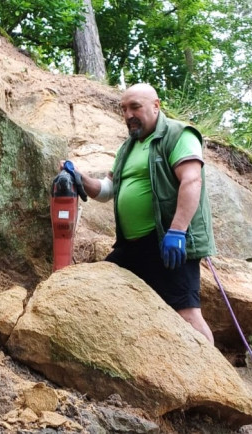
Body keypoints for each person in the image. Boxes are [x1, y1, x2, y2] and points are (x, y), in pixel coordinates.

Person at [63, 83, 216, 344]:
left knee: (187, 315)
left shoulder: (179, 135)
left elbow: (192, 181)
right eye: (124, 109)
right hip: (133, 247)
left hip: (168, 243)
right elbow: (108, 189)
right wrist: (80, 178)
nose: (128, 115)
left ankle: (217, 380)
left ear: (156, 106)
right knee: (100, 288)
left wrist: (177, 231)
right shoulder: (127, 148)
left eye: (135, 107)